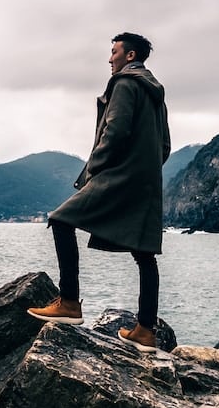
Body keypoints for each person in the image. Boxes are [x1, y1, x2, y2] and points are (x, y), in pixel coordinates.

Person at [29, 31, 172, 351]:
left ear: (130, 56)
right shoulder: (156, 93)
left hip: (119, 176)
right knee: (145, 254)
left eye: (114, 52)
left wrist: (95, 171)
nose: (110, 58)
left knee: (61, 219)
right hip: (147, 182)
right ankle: (145, 330)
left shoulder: (125, 83)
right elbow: (165, 145)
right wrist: (145, 170)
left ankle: (68, 303)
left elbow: (115, 131)